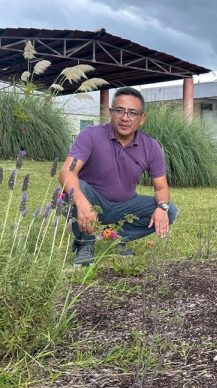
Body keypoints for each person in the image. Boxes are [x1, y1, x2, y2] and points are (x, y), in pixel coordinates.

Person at [59, 86, 178, 266]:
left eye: (132, 113)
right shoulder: (90, 135)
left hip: (124, 205)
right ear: (110, 113)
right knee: (75, 189)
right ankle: (85, 244)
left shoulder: (151, 146)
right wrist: (83, 204)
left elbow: (161, 187)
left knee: (170, 210)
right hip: (92, 200)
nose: (125, 118)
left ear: (142, 118)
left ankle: (113, 238)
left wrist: (162, 207)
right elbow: (67, 172)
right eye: (119, 110)